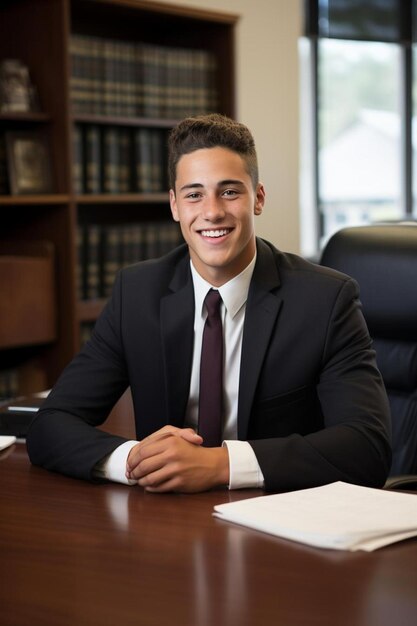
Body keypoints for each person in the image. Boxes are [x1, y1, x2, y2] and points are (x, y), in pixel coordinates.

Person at [27, 113, 391, 493]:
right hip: (166, 521)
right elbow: (51, 424)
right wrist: (137, 462)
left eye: (230, 191)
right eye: (194, 194)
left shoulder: (325, 300)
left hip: (277, 521)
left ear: (258, 198)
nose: (212, 211)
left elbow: (368, 447)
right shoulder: (137, 293)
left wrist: (220, 464)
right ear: (174, 206)